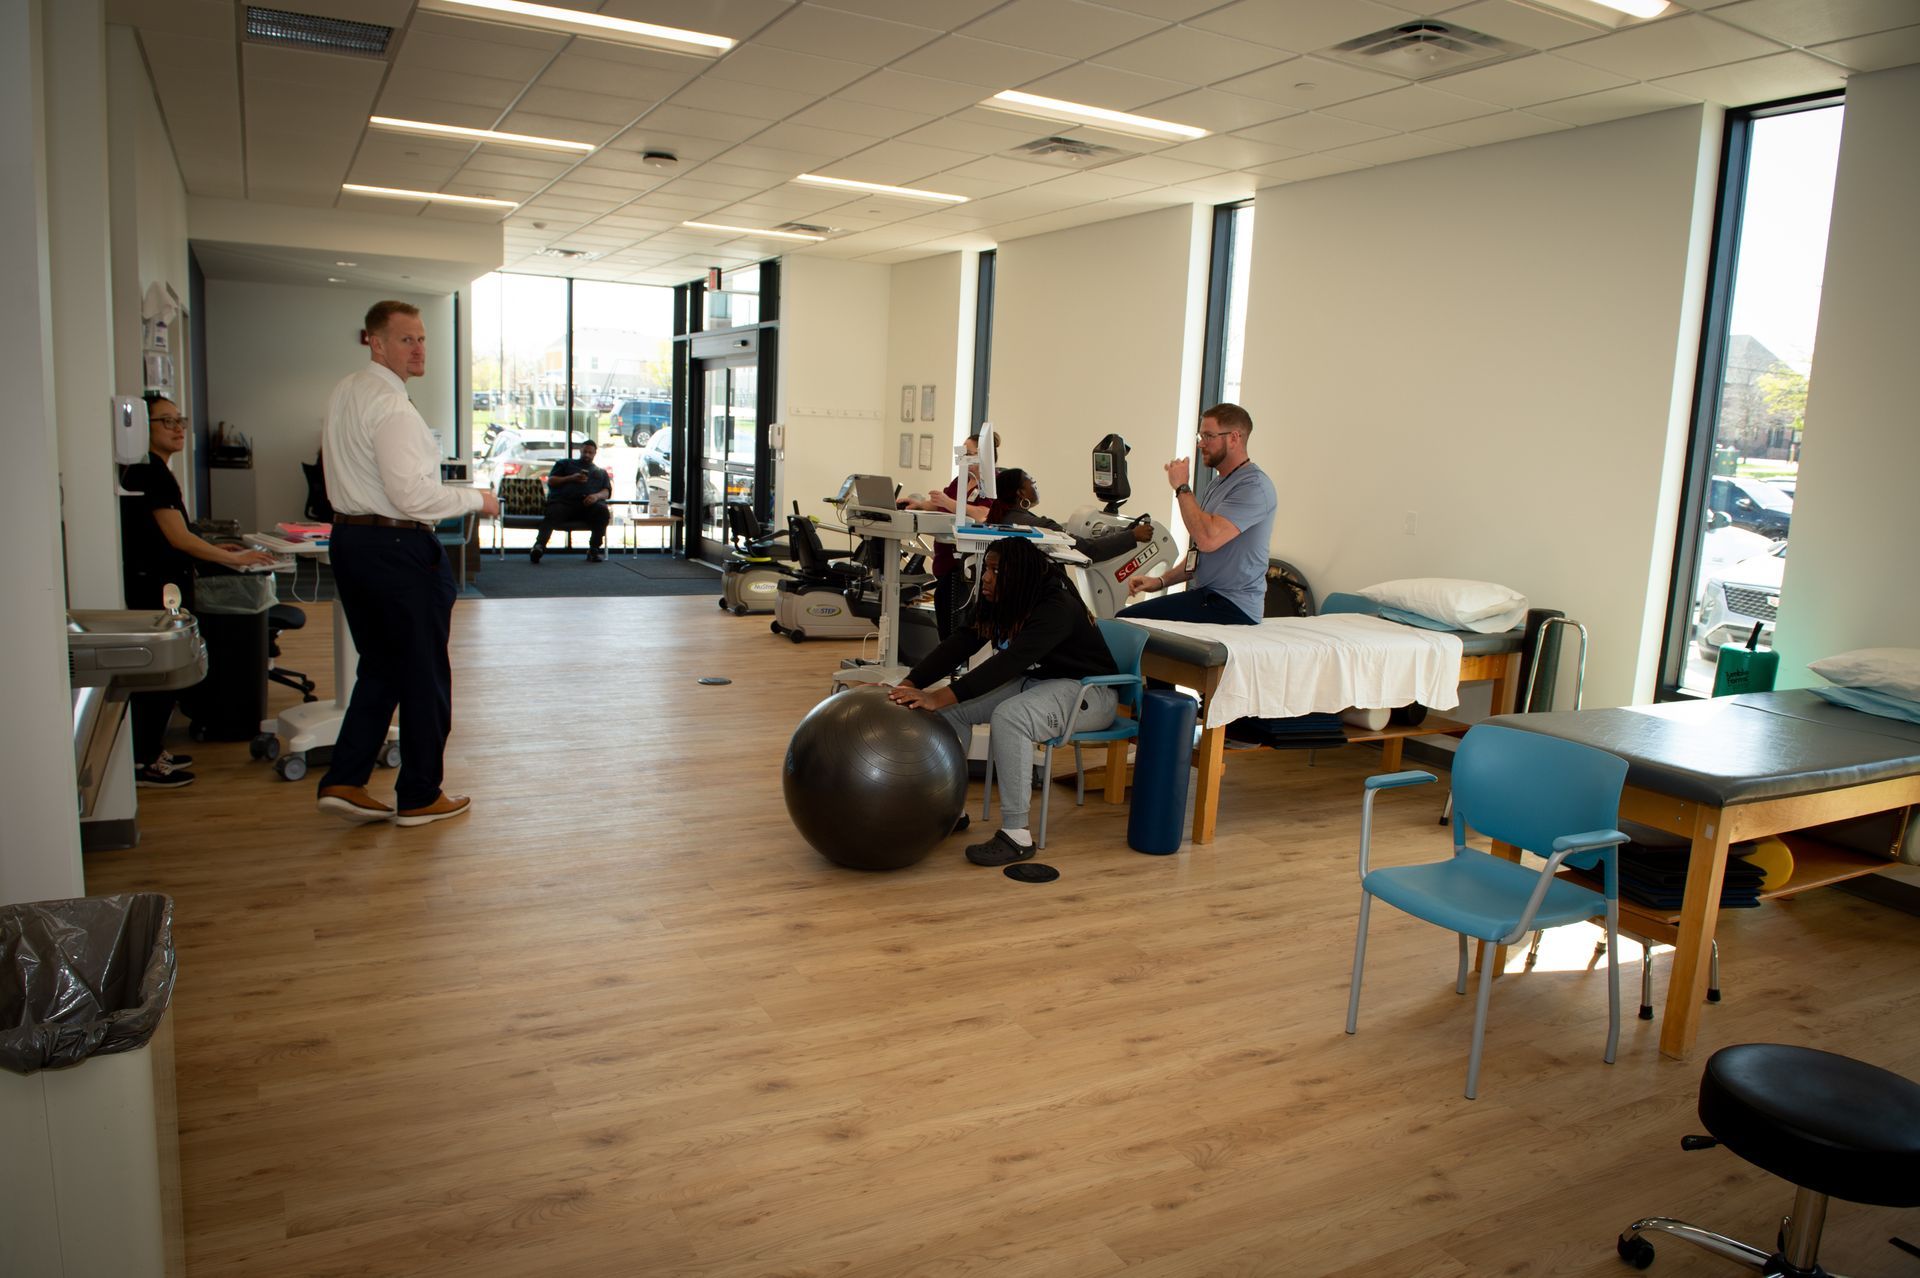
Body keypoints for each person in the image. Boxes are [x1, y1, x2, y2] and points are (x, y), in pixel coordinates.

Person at [315, 300, 498, 827]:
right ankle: (419, 793)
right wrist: (474, 499)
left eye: (422, 339)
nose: (419, 349)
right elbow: (414, 497)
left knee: (382, 665)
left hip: (352, 543)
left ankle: (347, 778)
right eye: (405, 340)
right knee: (423, 674)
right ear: (374, 342)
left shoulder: (347, 391)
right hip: (396, 550)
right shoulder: (392, 406)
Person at [888, 536, 1118, 866]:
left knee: (1010, 717)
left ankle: (1016, 834)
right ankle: (953, 811)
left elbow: (1006, 664)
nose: (986, 577)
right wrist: (909, 685)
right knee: (952, 712)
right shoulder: (1006, 597)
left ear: (1021, 575)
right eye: (987, 569)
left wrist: (936, 696)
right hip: (1040, 684)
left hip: (1090, 692)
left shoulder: (1057, 606)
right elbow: (962, 642)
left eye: (996, 571)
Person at [119, 395, 278, 788]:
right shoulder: (149, 473)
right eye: (165, 421)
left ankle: (151, 752)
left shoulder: (154, 469)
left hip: (161, 577)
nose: (178, 428)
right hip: (156, 585)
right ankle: (146, 762)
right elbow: (177, 538)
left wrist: (217, 551)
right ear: (143, 427)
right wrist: (235, 560)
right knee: (162, 669)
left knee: (165, 669)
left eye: (180, 419)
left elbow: (178, 532)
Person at [1117, 403, 1276, 626]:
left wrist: (1182, 486)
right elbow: (1199, 554)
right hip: (1208, 597)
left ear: (1234, 438)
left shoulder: (1254, 487)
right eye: (1200, 436)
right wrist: (1160, 581)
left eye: (1209, 436)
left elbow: (1207, 539)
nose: (1201, 444)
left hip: (1234, 606)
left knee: (1126, 621)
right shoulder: (1217, 484)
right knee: (1125, 618)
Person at [902, 428, 999, 637]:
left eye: (967, 450)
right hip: (945, 558)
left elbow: (983, 514)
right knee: (945, 612)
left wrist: (949, 502)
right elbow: (940, 504)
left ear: (981, 455)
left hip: (966, 564)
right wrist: (918, 505)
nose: (962, 453)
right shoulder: (962, 479)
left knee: (952, 613)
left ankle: (954, 664)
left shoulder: (992, 483)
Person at [992, 467, 1155, 564]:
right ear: (1021, 493)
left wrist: (1122, 532)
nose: (1037, 487)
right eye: (1033, 483)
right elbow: (1088, 550)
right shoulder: (1041, 526)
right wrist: (1133, 536)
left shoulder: (1003, 519)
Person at [529, 437, 612, 563]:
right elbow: (551, 481)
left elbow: (606, 491)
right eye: (585, 452)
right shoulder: (565, 464)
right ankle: (539, 546)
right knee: (553, 511)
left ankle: (593, 550)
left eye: (590, 453)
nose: (587, 455)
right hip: (564, 503)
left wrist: (595, 496)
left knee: (602, 511)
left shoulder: (601, 472)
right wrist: (571, 478)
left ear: (595, 453)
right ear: (580, 451)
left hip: (587, 506)